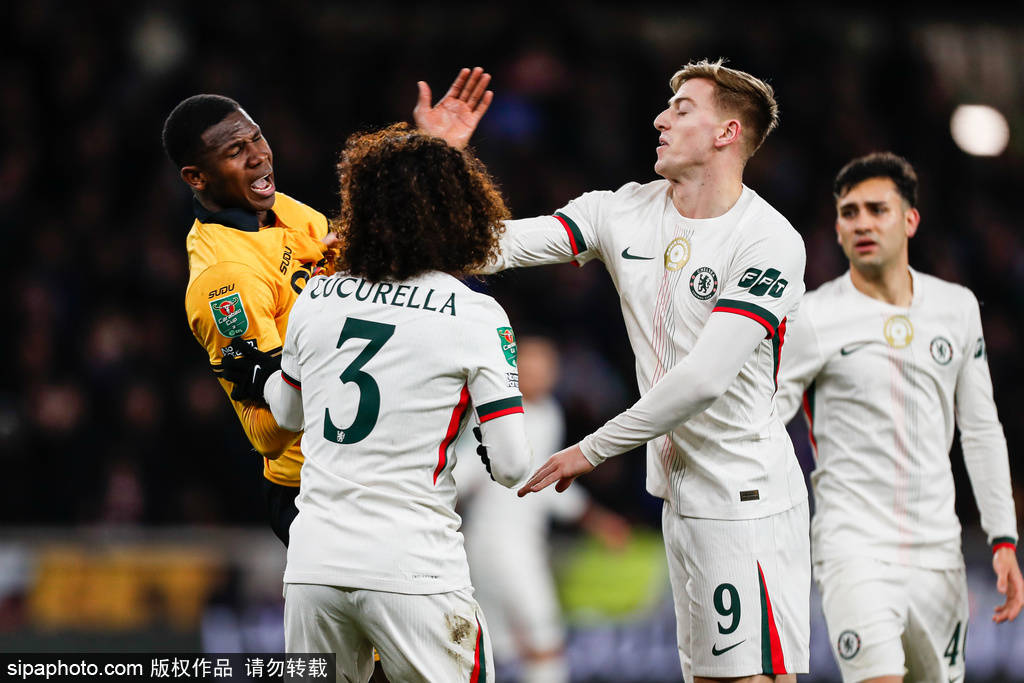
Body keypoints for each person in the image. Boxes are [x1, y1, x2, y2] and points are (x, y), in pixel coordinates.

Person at [485, 58, 810, 682]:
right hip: (679, 496)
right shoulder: (620, 212)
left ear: (727, 133)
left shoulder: (767, 240)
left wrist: (591, 449)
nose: (660, 119)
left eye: (682, 109)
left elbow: (704, 378)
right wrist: (436, 171)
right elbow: (499, 244)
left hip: (745, 501)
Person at [229, 124, 533, 682]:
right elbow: (512, 465)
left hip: (314, 566)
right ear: (460, 211)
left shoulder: (318, 294)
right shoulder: (475, 314)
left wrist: (259, 373)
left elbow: (287, 415)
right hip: (414, 568)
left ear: (359, 210)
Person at [162, 67, 493, 546]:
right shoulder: (226, 279)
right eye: (235, 151)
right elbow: (267, 434)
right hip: (314, 489)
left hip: (376, 462)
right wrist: (285, 374)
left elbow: (387, 259)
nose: (258, 156)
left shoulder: (287, 212)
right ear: (196, 177)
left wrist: (435, 156)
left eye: (257, 138)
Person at [773, 151, 1023, 682]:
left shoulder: (956, 309)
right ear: (837, 229)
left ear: (910, 220)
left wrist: (1003, 537)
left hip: (938, 556)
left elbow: (981, 430)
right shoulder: (814, 316)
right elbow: (765, 420)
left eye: (877, 210)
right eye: (849, 212)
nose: (861, 223)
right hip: (852, 547)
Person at [453, 334, 631, 683]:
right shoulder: (497, 413)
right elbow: (464, 472)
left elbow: (548, 485)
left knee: (498, 647)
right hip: (499, 543)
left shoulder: (548, 413)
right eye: (530, 366)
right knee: (544, 640)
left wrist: (596, 519)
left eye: (546, 367)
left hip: (521, 542)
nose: (538, 374)